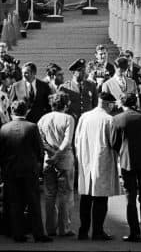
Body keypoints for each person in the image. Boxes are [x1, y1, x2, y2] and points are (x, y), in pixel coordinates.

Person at [0, 99, 52, 243]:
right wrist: (37, 164)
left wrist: (5, 167)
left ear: (12, 111)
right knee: (33, 201)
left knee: (15, 202)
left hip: (11, 170)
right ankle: (38, 234)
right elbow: (39, 150)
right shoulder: (31, 127)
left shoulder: (4, 128)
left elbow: (0, 152)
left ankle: (17, 233)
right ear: (26, 111)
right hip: (29, 169)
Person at [75, 91, 120, 241]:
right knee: (100, 198)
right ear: (109, 104)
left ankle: (83, 231)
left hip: (85, 161)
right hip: (102, 161)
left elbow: (77, 140)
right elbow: (114, 143)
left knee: (86, 197)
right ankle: (98, 231)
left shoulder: (84, 117)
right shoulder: (109, 119)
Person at [112, 92, 141, 243]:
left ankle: (134, 233)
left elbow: (114, 143)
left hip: (127, 162)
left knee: (130, 198)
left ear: (122, 103)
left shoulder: (117, 119)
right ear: (136, 101)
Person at [37, 92, 77, 238]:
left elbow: (41, 140)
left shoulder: (43, 119)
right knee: (65, 193)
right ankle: (64, 228)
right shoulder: (68, 118)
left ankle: (50, 228)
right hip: (64, 159)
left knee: (49, 194)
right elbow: (67, 141)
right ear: (66, 105)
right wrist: (58, 154)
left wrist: (51, 153)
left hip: (48, 159)